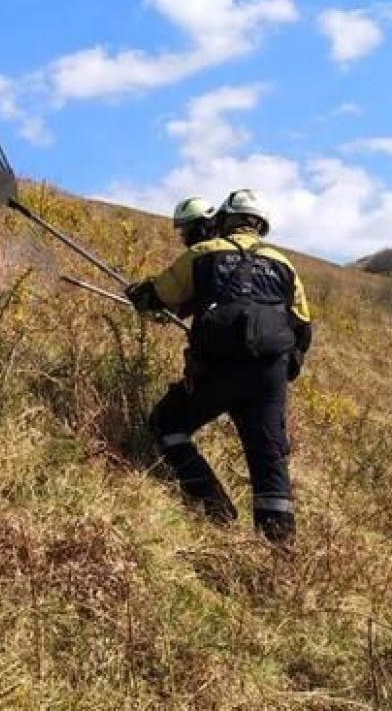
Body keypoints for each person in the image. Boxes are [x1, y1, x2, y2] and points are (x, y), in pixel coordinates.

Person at [126, 189, 313, 542]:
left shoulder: (203, 253)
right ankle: (280, 551)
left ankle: (213, 504)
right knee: (268, 456)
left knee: (168, 423)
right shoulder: (286, 265)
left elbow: (159, 295)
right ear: (262, 226)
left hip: (219, 367)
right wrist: (285, 370)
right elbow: (302, 326)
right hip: (270, 372)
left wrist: (140, 295)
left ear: (224, 220)